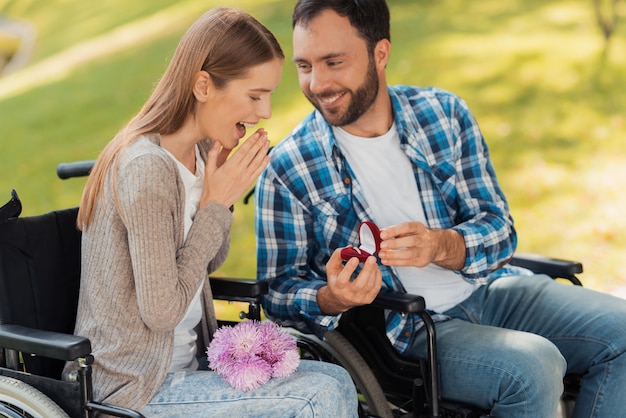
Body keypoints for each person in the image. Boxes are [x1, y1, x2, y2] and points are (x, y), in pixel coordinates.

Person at [254, 1, 626, 417]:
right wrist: (330, 297)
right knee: (532, 366)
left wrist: (443, 245)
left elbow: (500, 228)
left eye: (333, 62)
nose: (317, 83)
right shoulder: (288, 167)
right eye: (304, 66)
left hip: (491, 288)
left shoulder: (444, 114)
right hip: (410, 332)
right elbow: (277, 291)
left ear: (380, 53)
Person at [62, 7, 358, 418]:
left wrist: (220, 197)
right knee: (312, 399)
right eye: (255, 95)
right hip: (133, 388)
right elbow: (162, 311)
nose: (266, 112)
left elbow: (208, 260)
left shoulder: (201, 153)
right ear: (203, 85)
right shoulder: (146, 168)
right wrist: (217, 205)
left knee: (337, 380)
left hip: (189, 367)